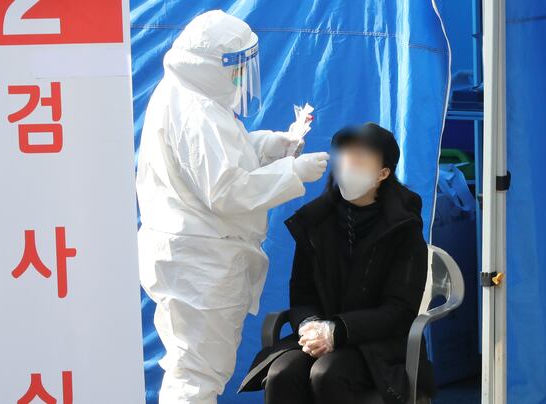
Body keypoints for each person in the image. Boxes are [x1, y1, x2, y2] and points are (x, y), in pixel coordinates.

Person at [136, 10, 330, 404]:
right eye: (237, 67)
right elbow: (226, 190)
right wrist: (292, 172)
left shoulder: (190, 96)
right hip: (199, 260)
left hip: (196, 255)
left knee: (195, 368)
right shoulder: (196, 111)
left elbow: (216, 158)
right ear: (213, 64)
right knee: (197, 375)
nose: (241, 77)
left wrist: (267, 146)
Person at [239, 122, 435, 404]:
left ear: (382, 173)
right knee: (281, 373)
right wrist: (310, 325)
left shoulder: (403, 228)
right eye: (344, 154)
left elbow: (399, 310)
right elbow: (302, 293)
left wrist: (338, 330)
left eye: (360, 156)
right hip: (321, 336)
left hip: (379, 343)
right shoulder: (315, 222)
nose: (348, 162)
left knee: (326, 374)